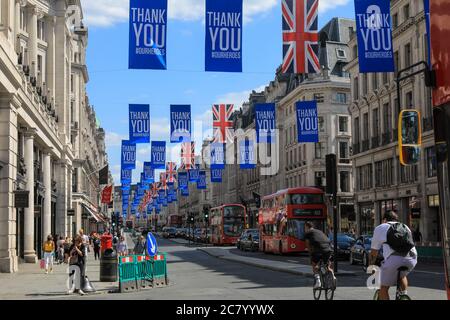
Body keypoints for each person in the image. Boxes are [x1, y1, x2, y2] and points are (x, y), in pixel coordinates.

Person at [369, 211, 417, 300]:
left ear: (384, 220)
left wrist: (371, 265)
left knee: (383, 288)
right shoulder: (405, 226)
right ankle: (403, 296)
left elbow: (373, 252)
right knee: (402, 275)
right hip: (412, 258)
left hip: (394, 259)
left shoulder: (380, 227)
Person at [304, 221, 335, 289]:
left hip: (318, 250)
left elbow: (308, 245)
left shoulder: (308, 233)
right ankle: (333, 276)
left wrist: (310, 253)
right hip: (328, 249)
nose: (305, 229)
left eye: (305, 227)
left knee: (314, 265)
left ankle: (318, 281)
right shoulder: (320, 231)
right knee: (327, 266)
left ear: (306, 227)